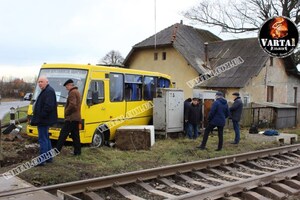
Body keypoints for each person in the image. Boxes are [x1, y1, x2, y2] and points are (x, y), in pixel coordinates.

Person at [31, 76, 58, 166]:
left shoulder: (48, 91)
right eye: (39, 82)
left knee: (43, 139)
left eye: (41, 82)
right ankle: (49, 158)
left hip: (43, 120)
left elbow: (48, 106)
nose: (40, 84)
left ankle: (41, 160)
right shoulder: (46, 90)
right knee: (46, 138)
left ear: (47, 82)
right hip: (44, 119)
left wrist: (40, 116)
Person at [56, 79, 82, 155]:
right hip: (76, 118)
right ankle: (77, 152)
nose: (66, 88)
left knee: (63, 134)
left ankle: (56, 151)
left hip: (71, 118)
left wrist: (66, 112)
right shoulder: (77, 92)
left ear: (70, 85)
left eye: (67, 86)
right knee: (75, 135)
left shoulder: (72, 93)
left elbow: (72, 105)